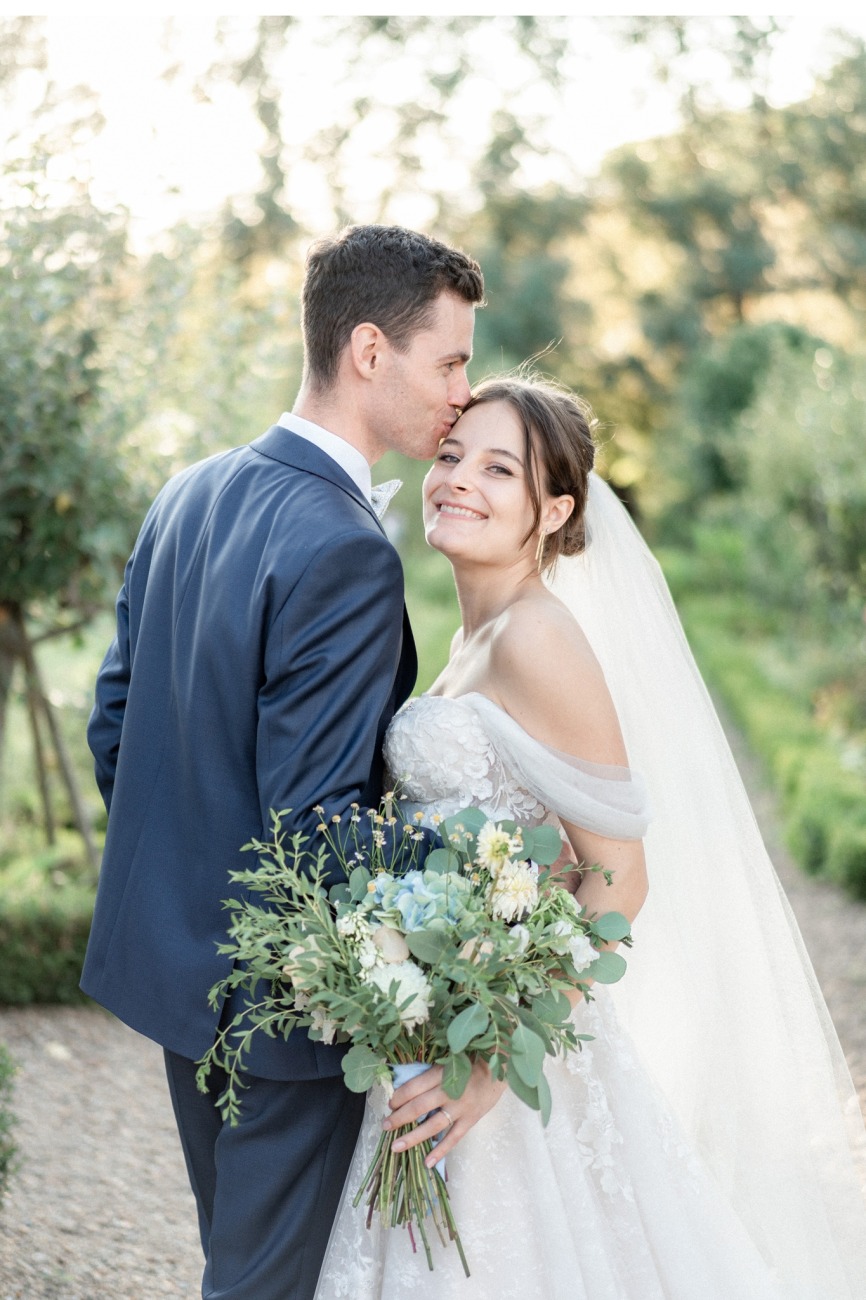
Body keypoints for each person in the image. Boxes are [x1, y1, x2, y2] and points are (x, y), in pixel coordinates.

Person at [314, 376, 866, 1299]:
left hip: (504, 1066)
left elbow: (618, 878)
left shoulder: (539, 639)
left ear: (554, 508)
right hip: (443, 1029)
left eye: (499, 469)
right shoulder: (470, 638)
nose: (457, 479)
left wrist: (489, 1066)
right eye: (451, 456)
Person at [81, 224, 484, 1300]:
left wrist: (187, 881)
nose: (461, 389)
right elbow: (316, 825)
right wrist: (476, 882)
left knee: (240, 1259)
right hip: (278, 1011)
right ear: (367, 351)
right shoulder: (345, 548)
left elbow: (115, 724)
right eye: (447, 360)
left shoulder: (190, 491)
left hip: (175, 975)